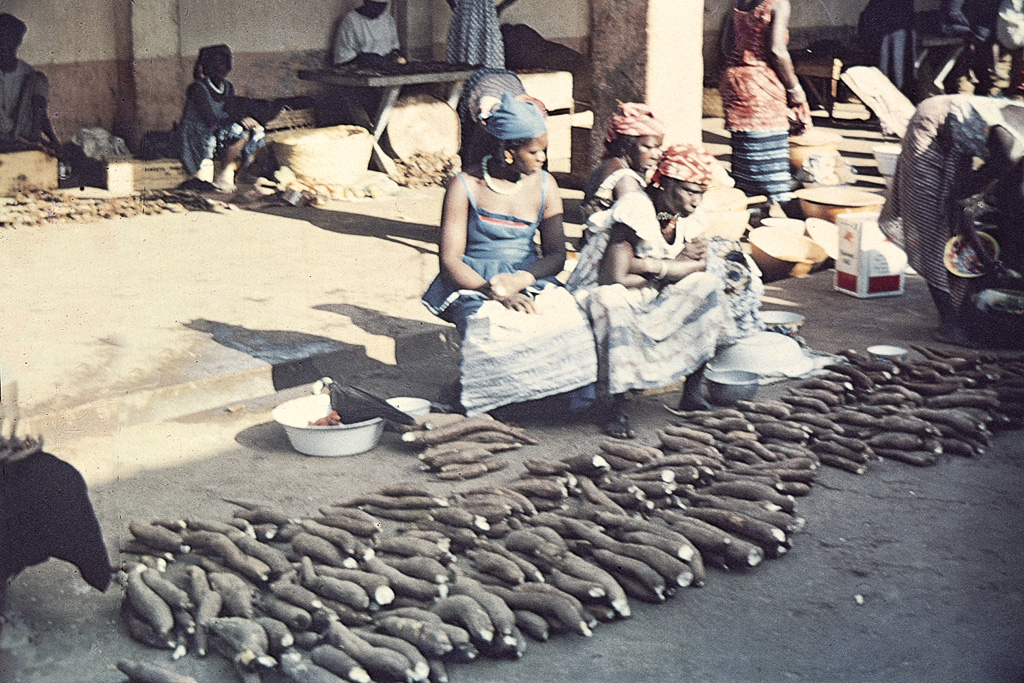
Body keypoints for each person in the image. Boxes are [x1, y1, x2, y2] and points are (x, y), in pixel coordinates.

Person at [566, 144, 764, 439]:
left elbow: (699, 266)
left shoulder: (683, 215)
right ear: (665, 183)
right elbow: (613, 277)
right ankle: (613, 406)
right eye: (689, 191)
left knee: (708, 285)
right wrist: (668, 266)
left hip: (649, 285)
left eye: (701, 193)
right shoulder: (636, 207)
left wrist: (650, 265)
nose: (696, 201)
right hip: (605, 288)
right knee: (612, 303)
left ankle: (692, 393)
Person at [422, 92, 598, 416]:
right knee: (495, 327)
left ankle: (547, 400)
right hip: (472, 280)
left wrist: (520, 280)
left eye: (544, 150)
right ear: (507, 152)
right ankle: (490, 397)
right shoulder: (464, 186)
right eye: (535, 151)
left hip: (529, 275)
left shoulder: (546, 186)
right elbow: (450, 259)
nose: (543, 158)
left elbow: (557, 254)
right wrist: (496, 293)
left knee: (567, 322)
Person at [878, 93, 1024, 347]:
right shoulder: (1010, 147)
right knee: (932, 225)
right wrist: (964, 201)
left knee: (957, 225)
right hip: (931, 126)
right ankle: (950, 324)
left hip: (962, 134)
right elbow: (997, 177)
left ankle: (961, 307)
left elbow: (1009, 197)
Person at [719, 0, 811, 217]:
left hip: (736, 80)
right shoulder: (778, 3)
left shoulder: (739, 2)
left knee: (746, 154)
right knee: (770, 152)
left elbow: (725, 45)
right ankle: (781, 207)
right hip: (760, 83)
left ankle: (754, 210)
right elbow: (777, 51)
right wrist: (794, 88)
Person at [177, 45, 265, 192]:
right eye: (215, 64)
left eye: (224, 63)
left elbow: (231, 111)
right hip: (198, 132)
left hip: (219, 127)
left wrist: (247, 119)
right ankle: (224, 173)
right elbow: (210, 120)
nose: (220, 68)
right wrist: (238, 120)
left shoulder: (228, 87)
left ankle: (244, 172)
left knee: (256, 130)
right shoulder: (198, 88)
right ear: (206, 67)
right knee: (238, 129)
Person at [581, 101, 665, 218]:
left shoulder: (609, 165)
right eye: (648, 147)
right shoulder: (625, 180)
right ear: (627, 145)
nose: (656, 155)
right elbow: (638, 226)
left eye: (658, 147)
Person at [0, 13, 57, 152]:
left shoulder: (27, 72)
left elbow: (40, 111)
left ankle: (33, 139)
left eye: (9, 38)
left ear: (18, 41)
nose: (4, 43)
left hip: (22, 132)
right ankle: (28, 143)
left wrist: (54, 140)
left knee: (38, 78)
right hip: (3, 135)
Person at [445, 0, 521, 69]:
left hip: (487, 14)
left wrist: (500, 8)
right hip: (465, 13)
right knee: (463, 51)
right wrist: (454, 6)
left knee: (489, 51)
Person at [332, 0, 402, 68]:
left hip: (386, 69)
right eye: (375, 6)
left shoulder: (387, 18)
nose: (378, 10)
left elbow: (394, 45)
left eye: (382, 7)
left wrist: (394, 55)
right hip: (361, 72)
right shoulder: (351, 20)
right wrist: (367, 59)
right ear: (366, 2)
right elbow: (344, 57)